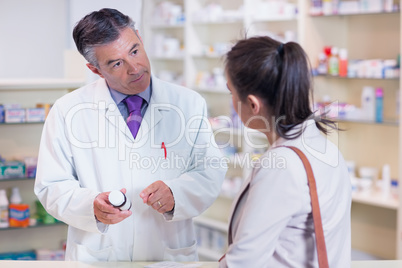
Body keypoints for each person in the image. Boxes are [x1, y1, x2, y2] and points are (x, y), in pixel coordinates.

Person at [34, 8, 226, 262]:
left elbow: (210, 170)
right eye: (116, 63)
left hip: (167, 253)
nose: (135, 68)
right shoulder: (67, 110)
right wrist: (90, 206)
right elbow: (51, 186)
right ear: (95, 69)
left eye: (134, 51)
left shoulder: (188, 103)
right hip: (99, 255)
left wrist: (176, 193)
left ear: (141, 39)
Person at [219, 36, 351, 267]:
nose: (231, 100)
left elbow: (242, 263)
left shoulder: (282, 166)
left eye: (231, 92)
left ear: (252, 104)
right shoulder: (323, 147)